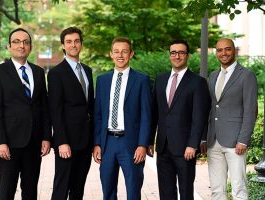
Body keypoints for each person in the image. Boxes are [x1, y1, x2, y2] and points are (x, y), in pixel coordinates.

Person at [0, 28, 51, 200]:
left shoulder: (38, 73)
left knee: (30, 190)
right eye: (16, 41)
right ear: (9, 46)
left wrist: (46, 137)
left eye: (25, 42)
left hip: (34, 142)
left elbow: (44, 107)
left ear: (30, 47)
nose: (21, 45)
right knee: (7, 189)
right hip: (9, 143)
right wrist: (0, 142)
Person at [148, 39, 211, 200]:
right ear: (170, 55)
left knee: (185, 192)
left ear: (187, 55)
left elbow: (199, 117)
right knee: (166, 192)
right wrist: (149, 141)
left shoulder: (198, 82)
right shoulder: (161, 79)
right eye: (174, 52)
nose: (177, 56)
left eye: (181, 52)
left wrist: (193, 144)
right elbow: (154, 113)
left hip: (185, 149)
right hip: (162, 147)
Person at [93, 37, 151, 200]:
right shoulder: (102, 80)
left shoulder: (141, 80)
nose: (120, 55)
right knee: (108, 190)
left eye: (124, 51)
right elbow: (98, 115)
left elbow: (147, 115)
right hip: (107, 143)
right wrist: (97, 143)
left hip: (131, 143)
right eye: (116, 51)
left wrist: (142, 145)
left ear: (131, 54)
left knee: (133, 190)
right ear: (111, 54)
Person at [202, 38, 258, 200]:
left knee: (239, 188)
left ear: (235, 50)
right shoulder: (213, 76)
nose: (223, 53)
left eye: (227, 49)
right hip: (213, 140)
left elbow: (250, 110)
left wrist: (243, 140)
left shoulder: (246, 75)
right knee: (217, 190)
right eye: (219, 50)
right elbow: (211, 109)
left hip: (235, 142)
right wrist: (204, 138)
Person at [48, 27, 94, 200]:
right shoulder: (56, 74)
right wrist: (61, 142)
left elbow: (89, 106)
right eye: (69, 42)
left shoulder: (87, 71)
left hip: (86, 140)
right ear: (63, 46)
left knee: (78, 187)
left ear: (81, 43)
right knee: (62, 187)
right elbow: (55, 110)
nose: (73, 45)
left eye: (76, 41)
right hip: (67, 142)